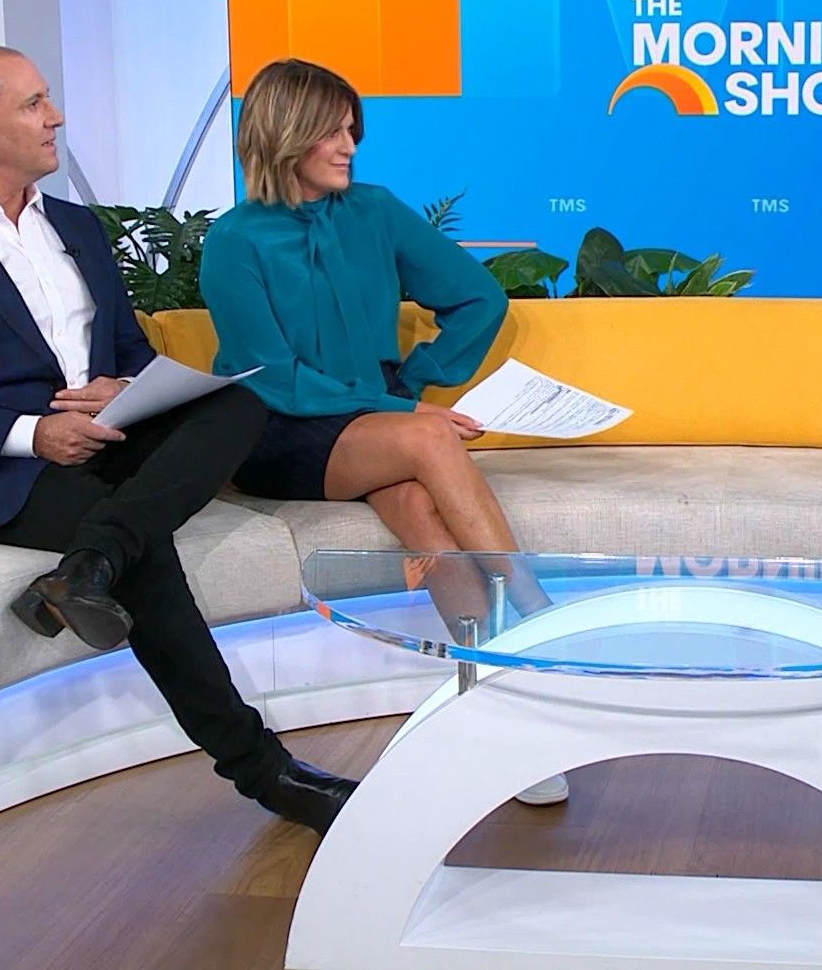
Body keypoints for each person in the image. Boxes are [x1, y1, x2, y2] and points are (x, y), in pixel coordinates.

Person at [0, 44, 358, 834]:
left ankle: (89, 566)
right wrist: (33, 434)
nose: (56, 117)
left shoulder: (77, 228)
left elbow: (129, 355)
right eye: (34, 103)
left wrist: (124, 389)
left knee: (237, 405)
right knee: (146, 550)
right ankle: (267, 772)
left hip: (109, 436)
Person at [201, 58, 568, 806]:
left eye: (352, 131)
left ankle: (505, 713)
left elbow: (478, 297)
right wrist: (407, 411)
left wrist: (416, 380)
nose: (349, 146)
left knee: (420, 509)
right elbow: (274, 378)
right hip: (274, 430)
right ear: (286, 133)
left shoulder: (374, 211)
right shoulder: (235, 240)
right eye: (332, 132)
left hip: (366, 420)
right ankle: (539, 615)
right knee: (430, 442)